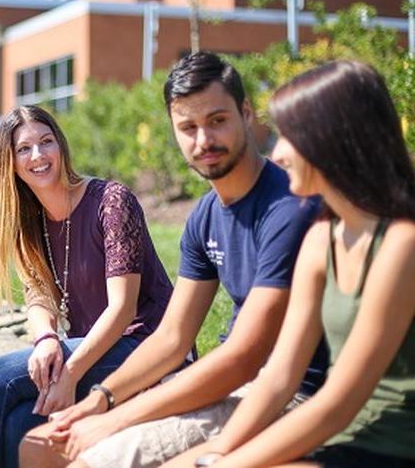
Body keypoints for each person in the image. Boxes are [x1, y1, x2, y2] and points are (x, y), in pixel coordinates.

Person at [19, 51, 328, 468]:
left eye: (217, 121)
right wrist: (100, 400)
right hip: (231, 386)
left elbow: (243, 356)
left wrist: (113, 418)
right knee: (39, 446)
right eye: (188, 127)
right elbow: (172, 337)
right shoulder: (204, 216)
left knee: (92, 461)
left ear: (246, 114)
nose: (204, 141)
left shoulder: (288, 209)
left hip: (286, 395)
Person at [162, 60, 415, 468]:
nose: (278, 152)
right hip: (340, 438)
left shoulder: (401, 245)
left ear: (335, 140)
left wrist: (223, 465)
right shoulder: (320, 239)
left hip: (390, 448)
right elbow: (279, 376)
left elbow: (337, 403)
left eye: (291, 136)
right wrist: (216, 453)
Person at [0, 105, 176, 468]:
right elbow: (38, 292)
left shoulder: (111, 202)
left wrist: (70, 373)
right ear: (9, 163)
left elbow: (123, 309)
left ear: (61, 146)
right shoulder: (30, 220)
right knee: (19, 424)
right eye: (24, 149)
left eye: (46, 142)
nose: (38, 156)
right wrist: (46, 338)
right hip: (97, 352)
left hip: (147, 348)